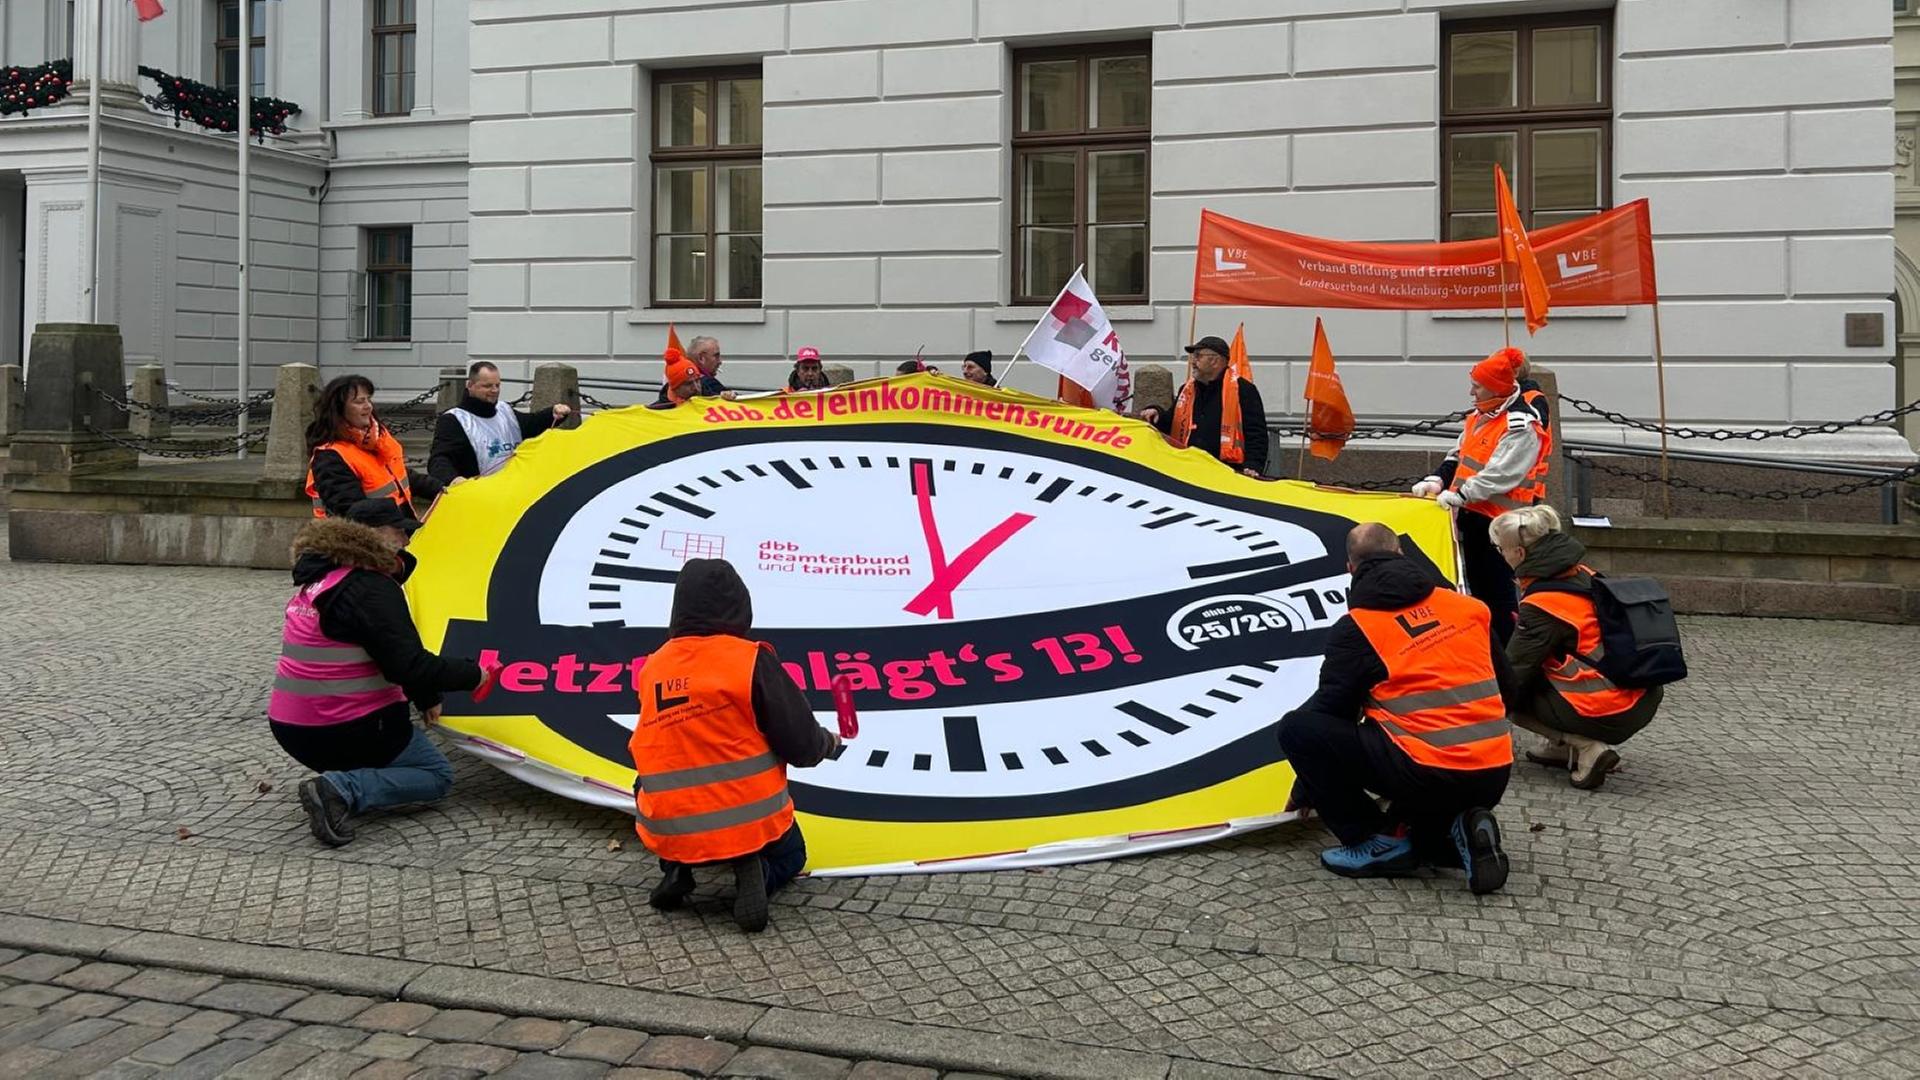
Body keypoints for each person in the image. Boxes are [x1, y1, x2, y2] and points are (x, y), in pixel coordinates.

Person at [1277, 524, 1515, 894]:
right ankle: (1454, 832)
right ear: (1402, 554)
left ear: (1350, 569)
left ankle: (1372, 841)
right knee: (1424, 834)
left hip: (1424, 774)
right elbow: (1509, 689)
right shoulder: (1469, 608)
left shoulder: (1358, 627)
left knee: (1297, 729)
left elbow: (1331, 713)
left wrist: (1308, 787)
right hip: (1494, 771)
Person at [630, 558, 841, 932]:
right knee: (793, 854)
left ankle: (677, 865)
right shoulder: (749, 660)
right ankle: (757, 867)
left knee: (654, 770)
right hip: (747, 817)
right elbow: (799, 741)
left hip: (668, 821)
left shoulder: (654, 667)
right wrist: (827, 743)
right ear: (740, 606)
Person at [268, 498, 486, 847]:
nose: (407, 539)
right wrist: (475, 676)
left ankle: (347, 777)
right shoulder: (370, 588)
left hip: (291, 727)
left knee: (404, 740)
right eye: (399, 530)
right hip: (342, 727)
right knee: (435, 774)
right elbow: (410, 664)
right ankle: (340, 789)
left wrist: (425, 696)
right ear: (371, 535)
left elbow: (386, 653)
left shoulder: (325, 577)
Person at [1493, 505, 1662, 790]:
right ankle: (1561, 747)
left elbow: (1514, 672)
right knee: (1546, 670)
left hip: (1607, 711)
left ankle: (1586, 747)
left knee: (1505, 692)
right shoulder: (1583, 573)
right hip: (1642, 694)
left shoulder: (1542, 604)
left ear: (1519, 554)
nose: (1499, 554)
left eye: (1500, 549)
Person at [1410, 348, 1547, 645]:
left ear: (1496, 388)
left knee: (1499, 597)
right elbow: (1460, 455)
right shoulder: (1480, 416)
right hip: (1475, 519)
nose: (1471, 391)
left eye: (1477, 385)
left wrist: (1459, 494)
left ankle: (1510, 660)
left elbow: (1503, 474)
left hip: (1503, 526)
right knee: (1482, 592)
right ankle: (1490, 652)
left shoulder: (1520, 425)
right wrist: (1438, 479)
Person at [305, 375, 442, 520]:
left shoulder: (376, 438)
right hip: (367, 538)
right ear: (338, 410)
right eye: (359, 401)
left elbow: (398, 474)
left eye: (368, 399)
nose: (368, 406)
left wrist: (443, 488)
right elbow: (349, 510)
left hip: (397, 532)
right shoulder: (329, 456)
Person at [427, 361, 572, 486]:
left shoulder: (504, 410)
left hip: (511, 489)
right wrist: (452, 479)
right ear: (470, 385)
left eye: (497, 385)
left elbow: (531, 424)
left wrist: (553, 414)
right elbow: (439, 460)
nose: (494, 390)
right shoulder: (454, 420)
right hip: (478, 494)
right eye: (487, 386)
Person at [1141, 335, 1269, 477]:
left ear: (1215, 360)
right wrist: (1157, 413)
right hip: (1188, 469)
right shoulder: (1187, 390)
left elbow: (1256, 433)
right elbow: (1173, 422)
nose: (1192, 362)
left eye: (1198, 356)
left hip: (1228, 471)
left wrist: (1253, 465)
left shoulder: (1243, 390)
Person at [654, 335, 737, 403]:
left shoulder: (709, 394)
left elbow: (738, 400)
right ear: (675, 389)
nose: (696, 387)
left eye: (697, 380)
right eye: (688, 384)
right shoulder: (708, 383)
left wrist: (727, 396)